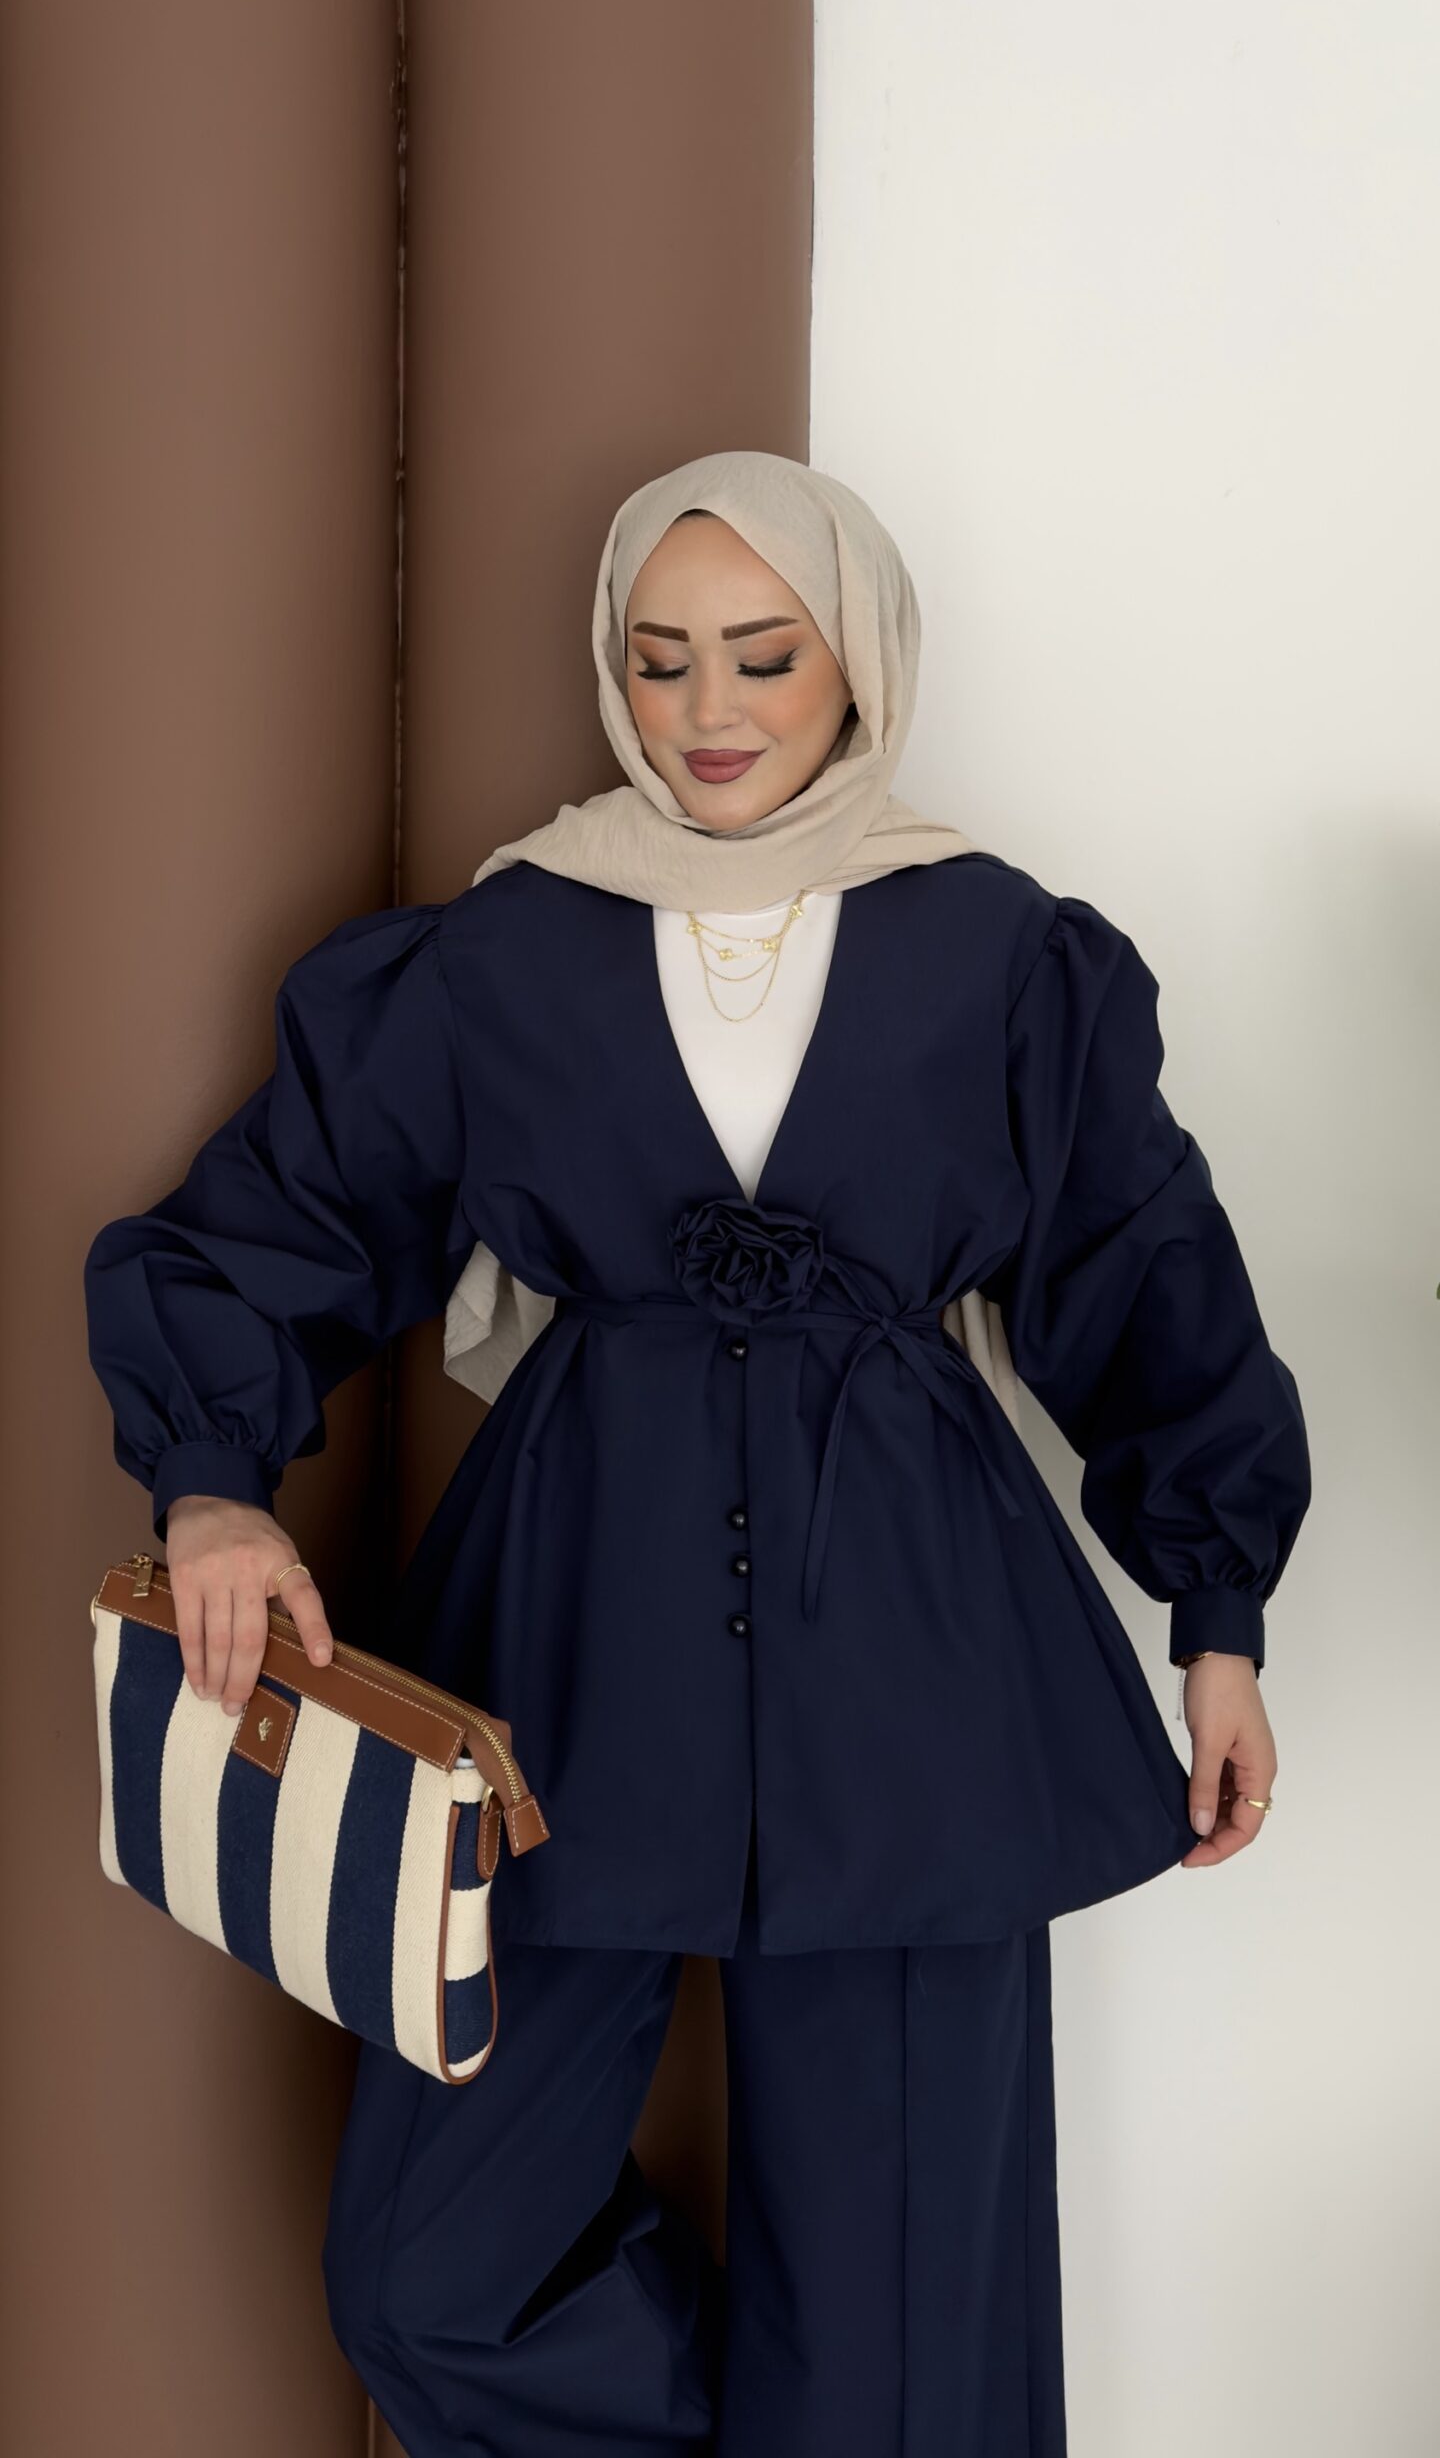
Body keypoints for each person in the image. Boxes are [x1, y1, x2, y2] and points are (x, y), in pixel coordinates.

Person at [83, 450, 1310, 2456]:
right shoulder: (504, 951)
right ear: (613, 668)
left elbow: (1143, 1276)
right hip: (574, 1646)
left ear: (859, 665)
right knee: (428, 2276)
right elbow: (275, 1224)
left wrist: (1220, 1617)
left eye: (763, 654)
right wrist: (213, 1482)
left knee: (907, 2347)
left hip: (920, 1655)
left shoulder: (1003, 952)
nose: (709, 710)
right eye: (661, 661)